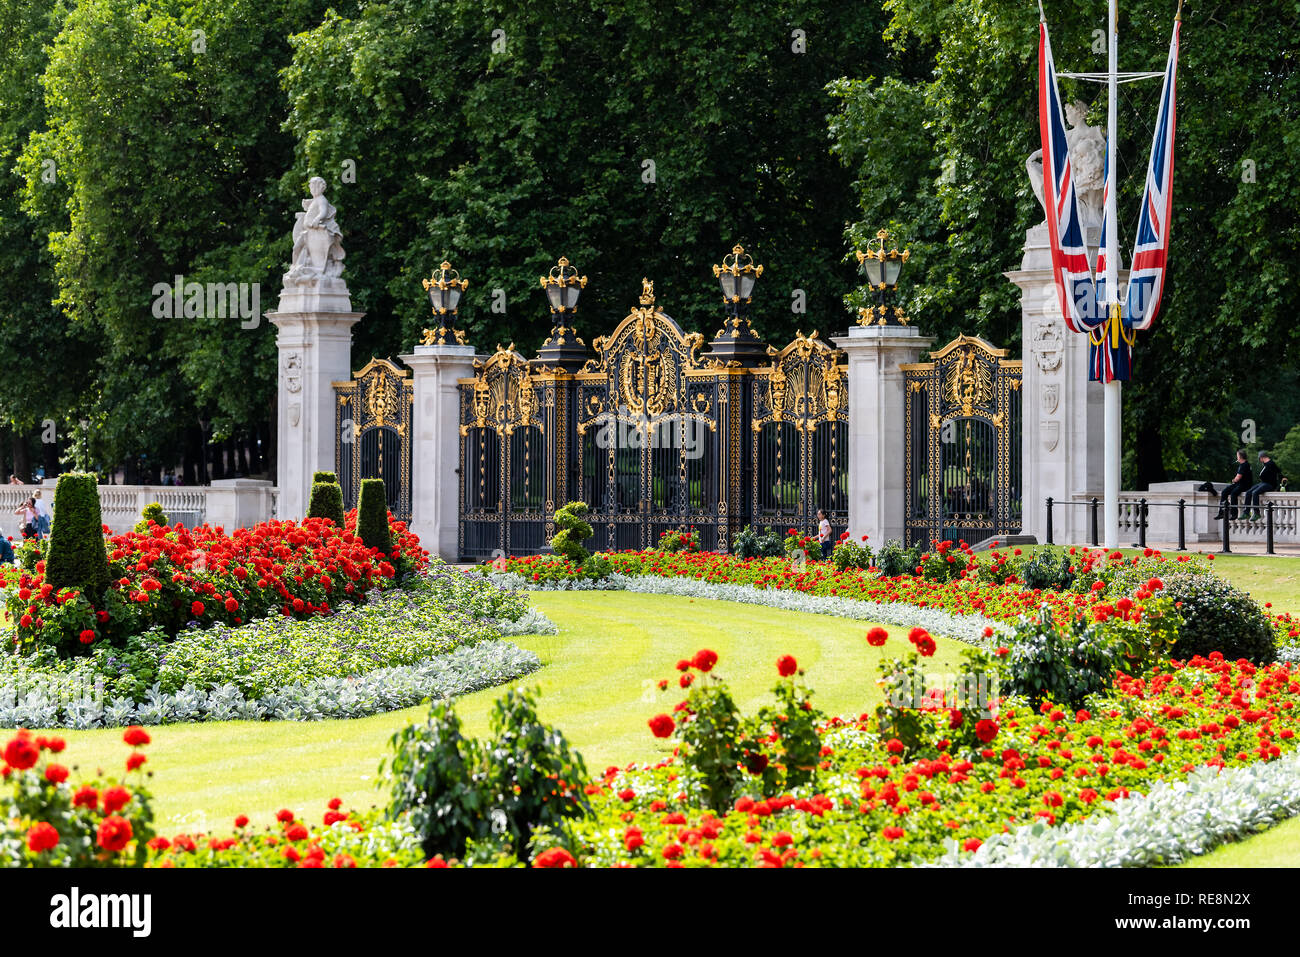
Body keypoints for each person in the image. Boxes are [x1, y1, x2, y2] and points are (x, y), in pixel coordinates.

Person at [1211, 450, 1252, 521]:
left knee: (1233, 494)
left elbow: (1238, 477)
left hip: (1244, 485)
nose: (1237, 457)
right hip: (1238, 484)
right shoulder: (1242, 465)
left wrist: (1233, 480)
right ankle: (1221, 513)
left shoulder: (1245, 465)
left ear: (1240, 457)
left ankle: (1234, 514)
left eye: (1237, 456)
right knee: (1224, 492)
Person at [1242, 451, 1283, 521]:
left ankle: (1256, 513)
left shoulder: (1271, 464)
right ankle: (1246, 512)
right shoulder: (1266, 464)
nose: (1259, 460)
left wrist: (1279, 485)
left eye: (1259, 459)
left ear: (1262, 458)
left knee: (1255, 493)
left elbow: (1279, 472)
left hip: (1269, 484)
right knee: (1248, 492)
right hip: (1263, 483)